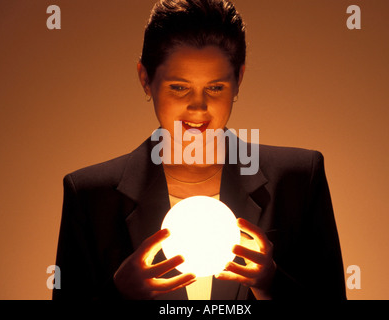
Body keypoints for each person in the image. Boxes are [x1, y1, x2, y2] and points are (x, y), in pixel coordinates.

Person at [53, 0, 346, 300]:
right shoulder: (91, 195)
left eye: (215, 87)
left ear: (238, 80)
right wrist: (119, 294)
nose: (198, 106)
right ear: (145, 79)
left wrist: (271, 284)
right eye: (179, 87)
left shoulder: (298, 180)